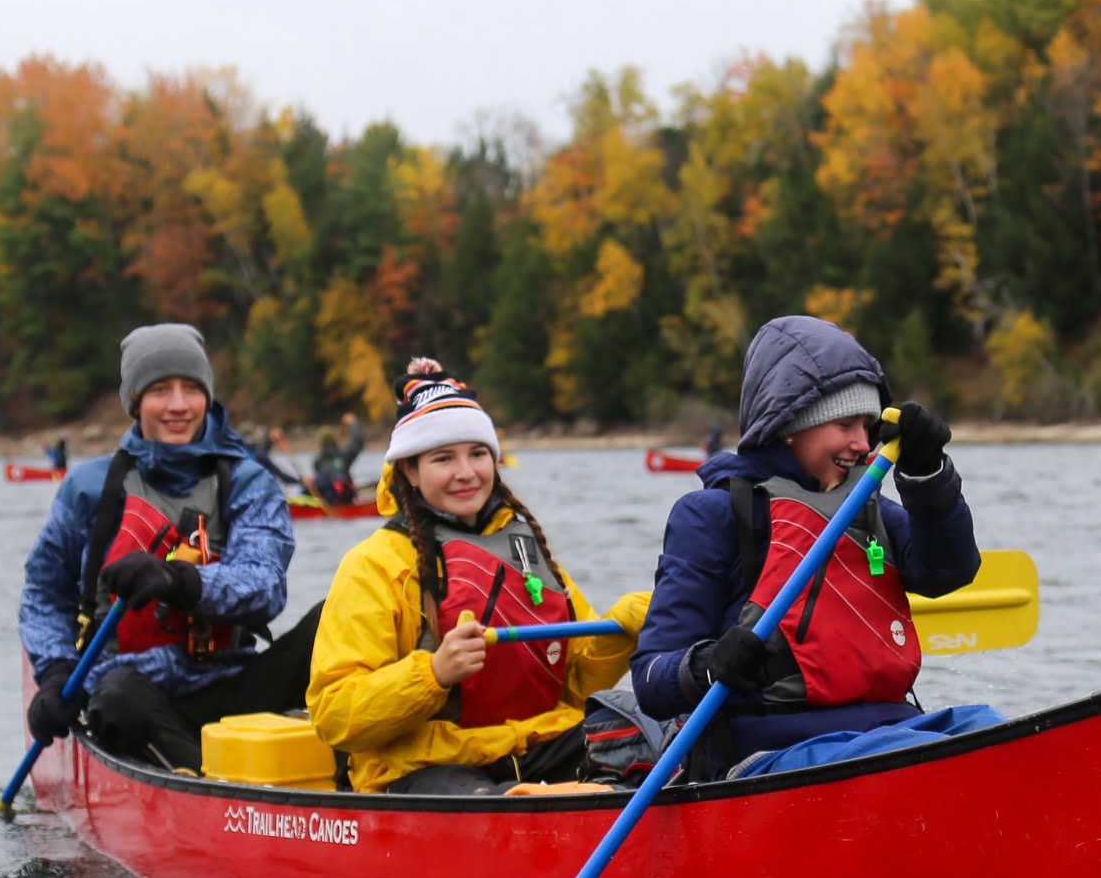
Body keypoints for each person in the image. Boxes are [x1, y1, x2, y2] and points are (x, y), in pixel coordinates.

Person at [631, 315, 983, 779]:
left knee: (986, 724)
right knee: (899, 753)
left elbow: (948, 572)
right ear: (789, 427)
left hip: (891, 729)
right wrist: (710, 665)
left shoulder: (865, 504)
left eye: (868, 425)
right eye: (844, 425)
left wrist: (928, 477)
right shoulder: (713, 515)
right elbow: (651, 678)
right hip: (773, 751)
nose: (863, 443)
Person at [306, 358, 648, 794]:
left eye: (478, 454)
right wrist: (433, 673)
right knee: (492, 801)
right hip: (425, 764)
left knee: (655, 741)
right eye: (443, 458)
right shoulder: (373, 564)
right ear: (409, 471)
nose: (466, 473)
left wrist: (621, 628)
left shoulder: (527, 548)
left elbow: (573, 686)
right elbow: (335, 715)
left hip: (536, 742)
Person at [18, 323, 312, 773]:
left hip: (230, 680)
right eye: (160, 390)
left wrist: (180, 580)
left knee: (337, 619)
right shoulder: (89, 487)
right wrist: (55, 672)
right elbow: (43, 595)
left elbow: (265, 588)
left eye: (192, 389)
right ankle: (214, 786)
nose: (179, 405)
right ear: (135, 401)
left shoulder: (248, 482)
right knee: (118, 699)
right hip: (130, 688)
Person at [310, 411, 365, 504]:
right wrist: (353, 422)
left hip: (326, 501)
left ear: (320, 443)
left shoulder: (317, 461)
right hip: (345, 500)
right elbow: (358, 442)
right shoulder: (344, 456)